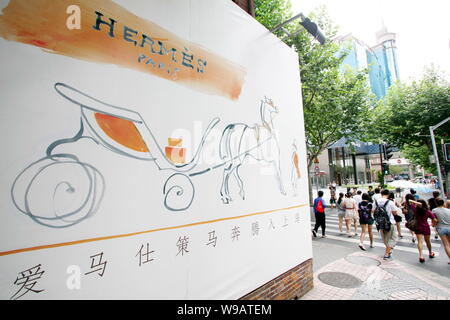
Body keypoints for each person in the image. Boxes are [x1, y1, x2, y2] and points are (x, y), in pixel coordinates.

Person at [375, 189, 402, 260]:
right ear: (388, 194)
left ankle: (388, 250)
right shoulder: (390, 202)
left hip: (380, 223)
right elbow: (395, 212)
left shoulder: (376, 201)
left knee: (385, 239)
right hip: (389, 222)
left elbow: (373, 211)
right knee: (394, 238)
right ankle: (387, 253)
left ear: (381, 194)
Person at [432, 198, 450, 265]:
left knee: (446, 245)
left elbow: (434, 219)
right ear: (443, 203)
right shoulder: (448, 210)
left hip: (441, 228)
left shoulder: (434, 210)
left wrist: (433, 224)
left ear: (436, 203)